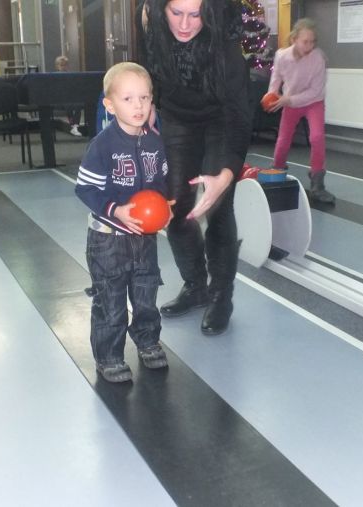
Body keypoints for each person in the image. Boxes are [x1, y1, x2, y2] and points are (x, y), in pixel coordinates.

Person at [139, 0, 252, 335]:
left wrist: (226, 174)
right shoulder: (151, 22)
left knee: (218, 206)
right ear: (161, 10)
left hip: (222, 120)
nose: (185, 25)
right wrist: (150, 103)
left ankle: (221, 296)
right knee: (176, 207)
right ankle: (195, 286)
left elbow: (240, 118)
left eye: (195, 14)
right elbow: (152, 68)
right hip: (178, 118)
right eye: (176, 13)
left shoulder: (226, 50)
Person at [75, 62, 172, 383]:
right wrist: (115, 210)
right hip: (108, 240)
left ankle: (147, 341)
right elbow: (85, 189)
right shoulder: (102, 146)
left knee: (146, 295)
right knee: (110, 301)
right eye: (128, 99)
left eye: (144, 98)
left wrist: (165, 206)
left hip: (144, 237)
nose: (138, 106)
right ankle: (109, 357)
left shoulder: (155, 143)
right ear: (110, 104)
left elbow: (160, 184)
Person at [266, 18, 335, 204]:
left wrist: (288, 99)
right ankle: (276, 173)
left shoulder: (318, 58)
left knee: (317, 137)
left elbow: (315, 91)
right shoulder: (282, 56)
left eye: (312, 42)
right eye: (305, 42)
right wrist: (271, 96)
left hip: (314, 102)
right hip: (290, 102)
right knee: (283, 139)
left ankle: (317, 185)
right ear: (294, 39)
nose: (309, 46)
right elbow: (276, 78)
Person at [54, 55, 84, 136]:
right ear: (57, 66)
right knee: (68, 105)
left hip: (70, 98)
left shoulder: (71, 76)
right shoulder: (54, 76)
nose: (63, 67)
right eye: (61, 65)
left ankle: (75, 126)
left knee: (78, 104)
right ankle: (72, 124)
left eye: (65, 65)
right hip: (59, 100)